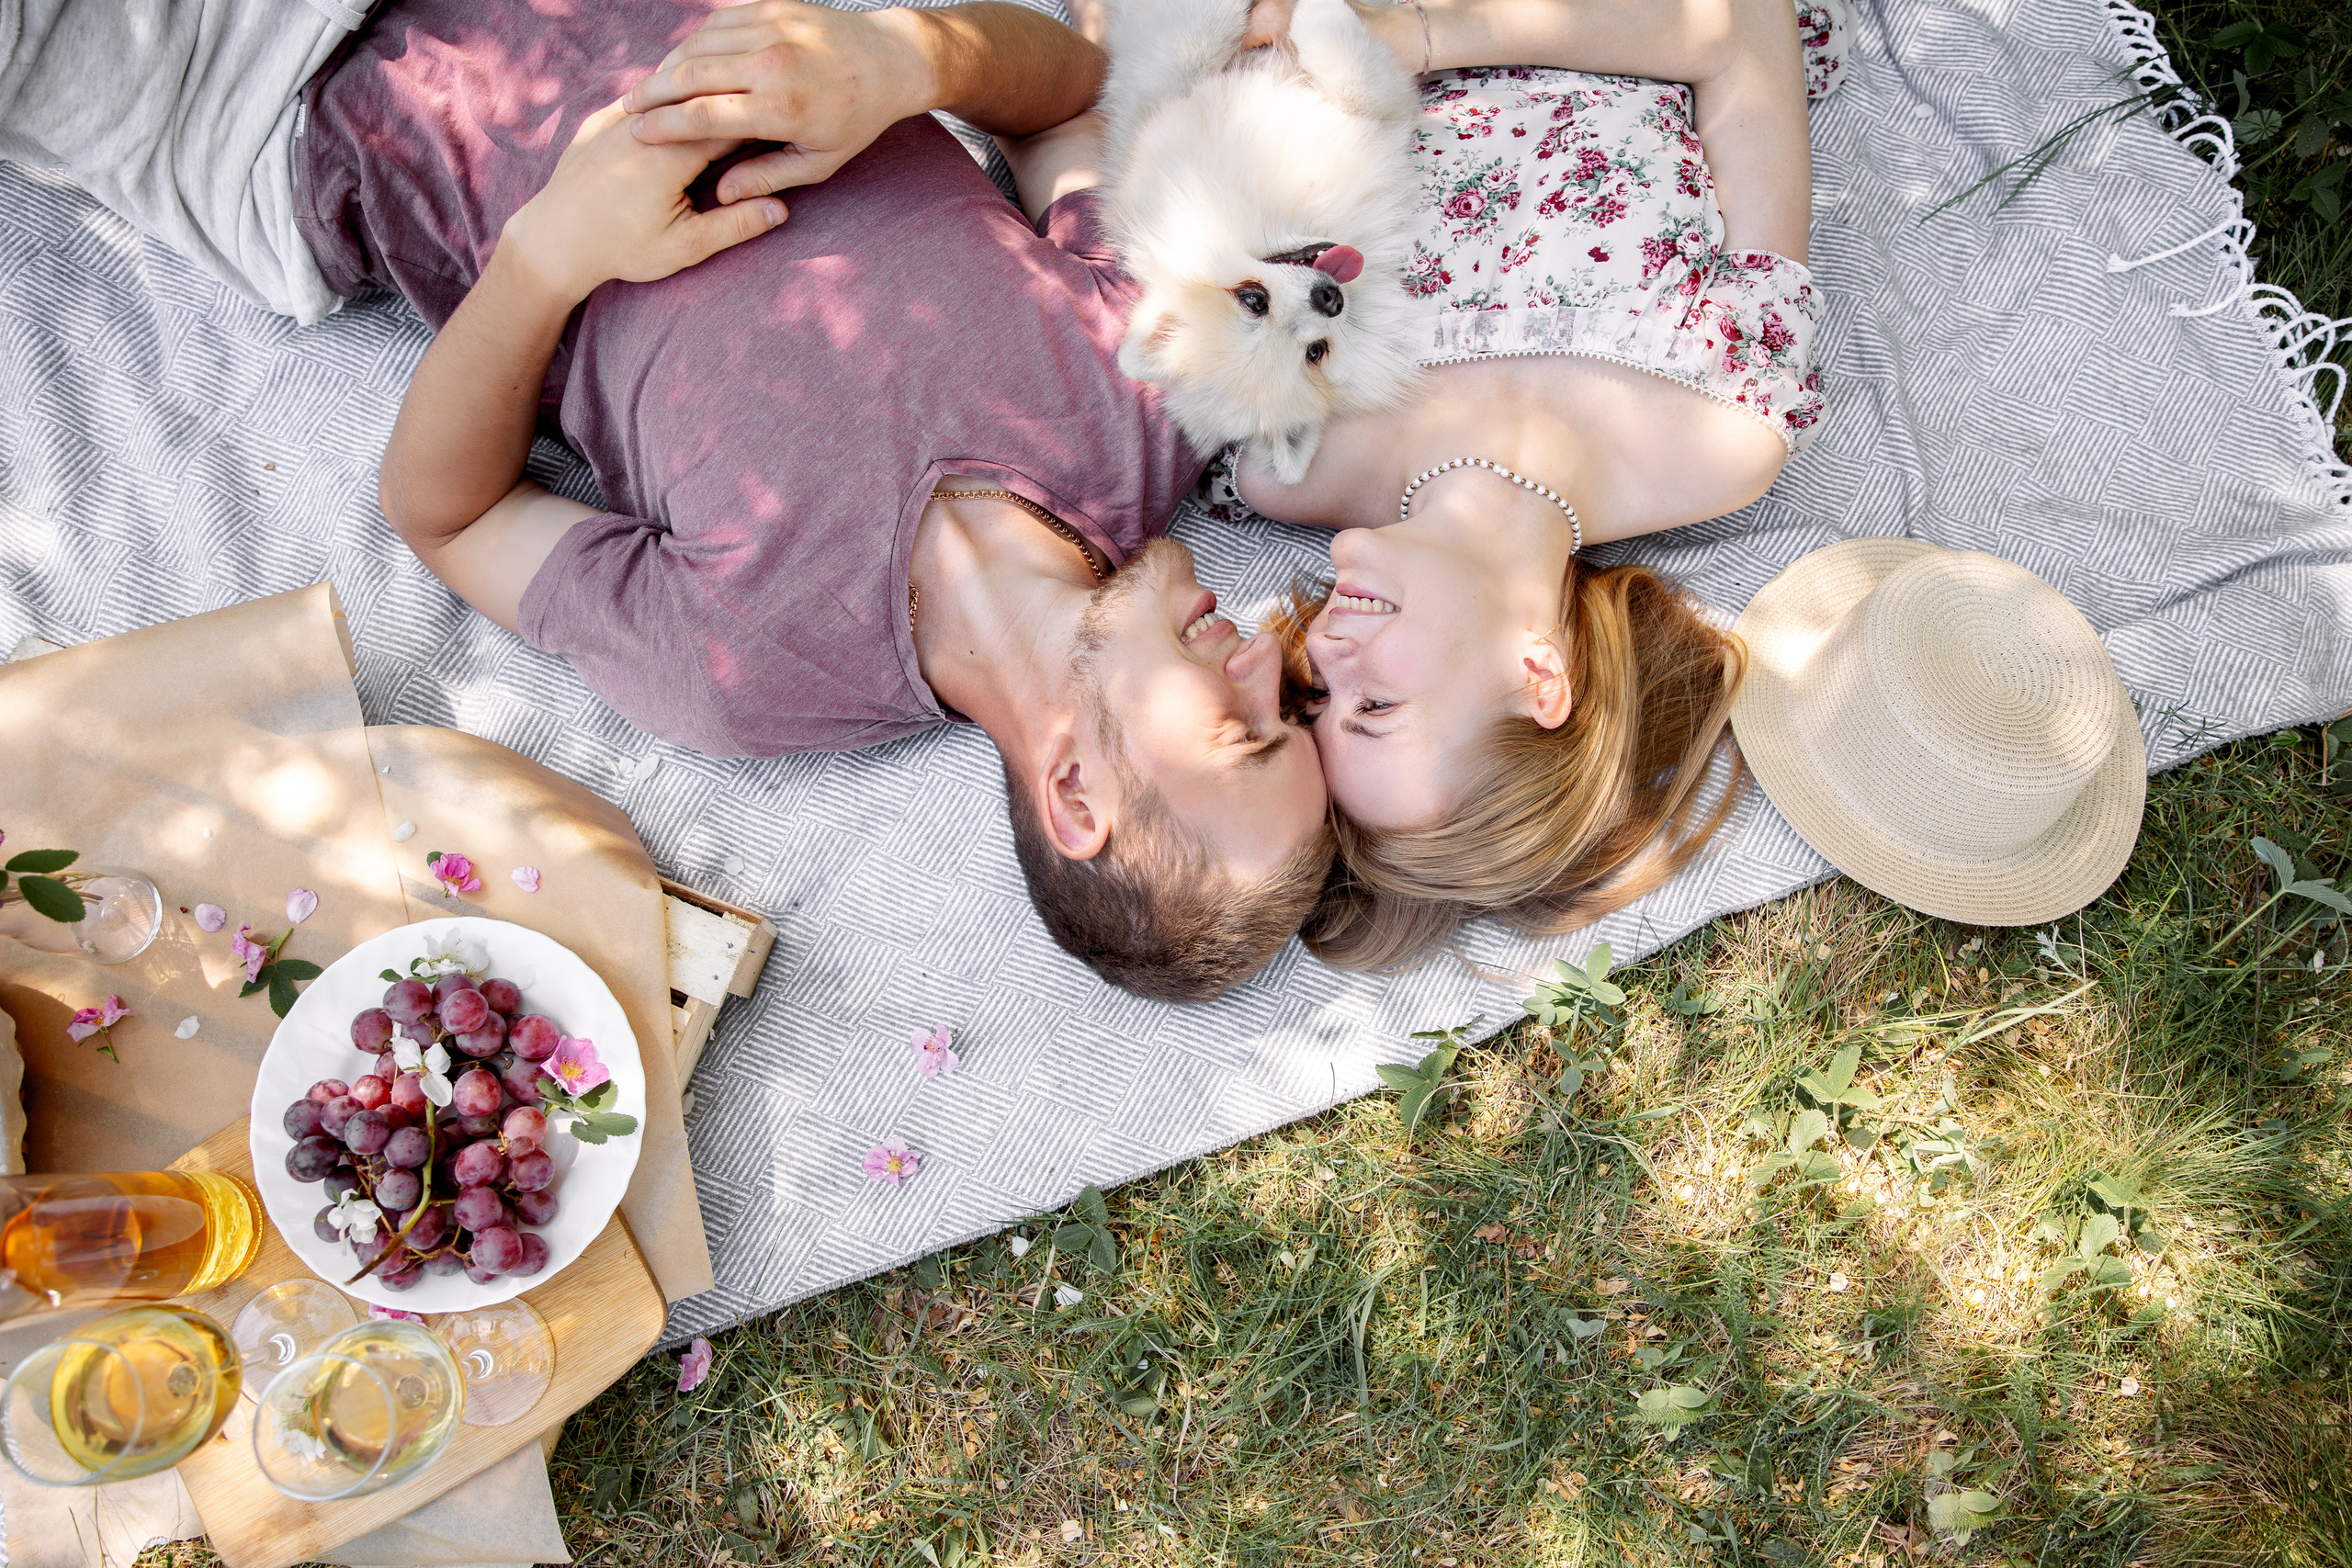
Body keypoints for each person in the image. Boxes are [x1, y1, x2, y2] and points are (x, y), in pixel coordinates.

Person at [0, 0, 1333, 1000]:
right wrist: (914, 61)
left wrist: (551, 254)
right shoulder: (1147, 398)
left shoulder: (756, 669)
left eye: (1245, 736)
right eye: (1297, 713)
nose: (1268, 662)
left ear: (1079, 795)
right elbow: (1070, 101)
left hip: (261, 85)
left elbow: (446, 514)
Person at [1192, 0, 1845, 969]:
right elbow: (1741, 32)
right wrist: (1421, 38)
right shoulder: (1718, 429)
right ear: (1538, 675)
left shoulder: (1282, 451)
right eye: (1374, 708)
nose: (1329, 652)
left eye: (1317, 695)